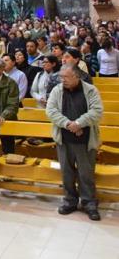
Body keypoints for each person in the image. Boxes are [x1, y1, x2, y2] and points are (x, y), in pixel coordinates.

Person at [46, 64, 103, 221]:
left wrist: (79, 123)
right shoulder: (57, 90)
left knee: (86, 173)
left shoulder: (90, 90)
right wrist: (69, 125)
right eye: (61, 77)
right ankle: (70, 201)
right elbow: (51, 111)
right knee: (66, 172)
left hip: (85, 140)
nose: (62, 80)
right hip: (64, 139)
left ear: (77, 77)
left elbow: (97, 111)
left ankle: (89, 203)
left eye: (66, 77)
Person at [0, 58, 20, 154]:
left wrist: (3, 115)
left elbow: (13, 105)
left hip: (5, 121)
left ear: (2, 69)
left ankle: (10, 168)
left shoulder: (11, 83)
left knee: (8, 151)